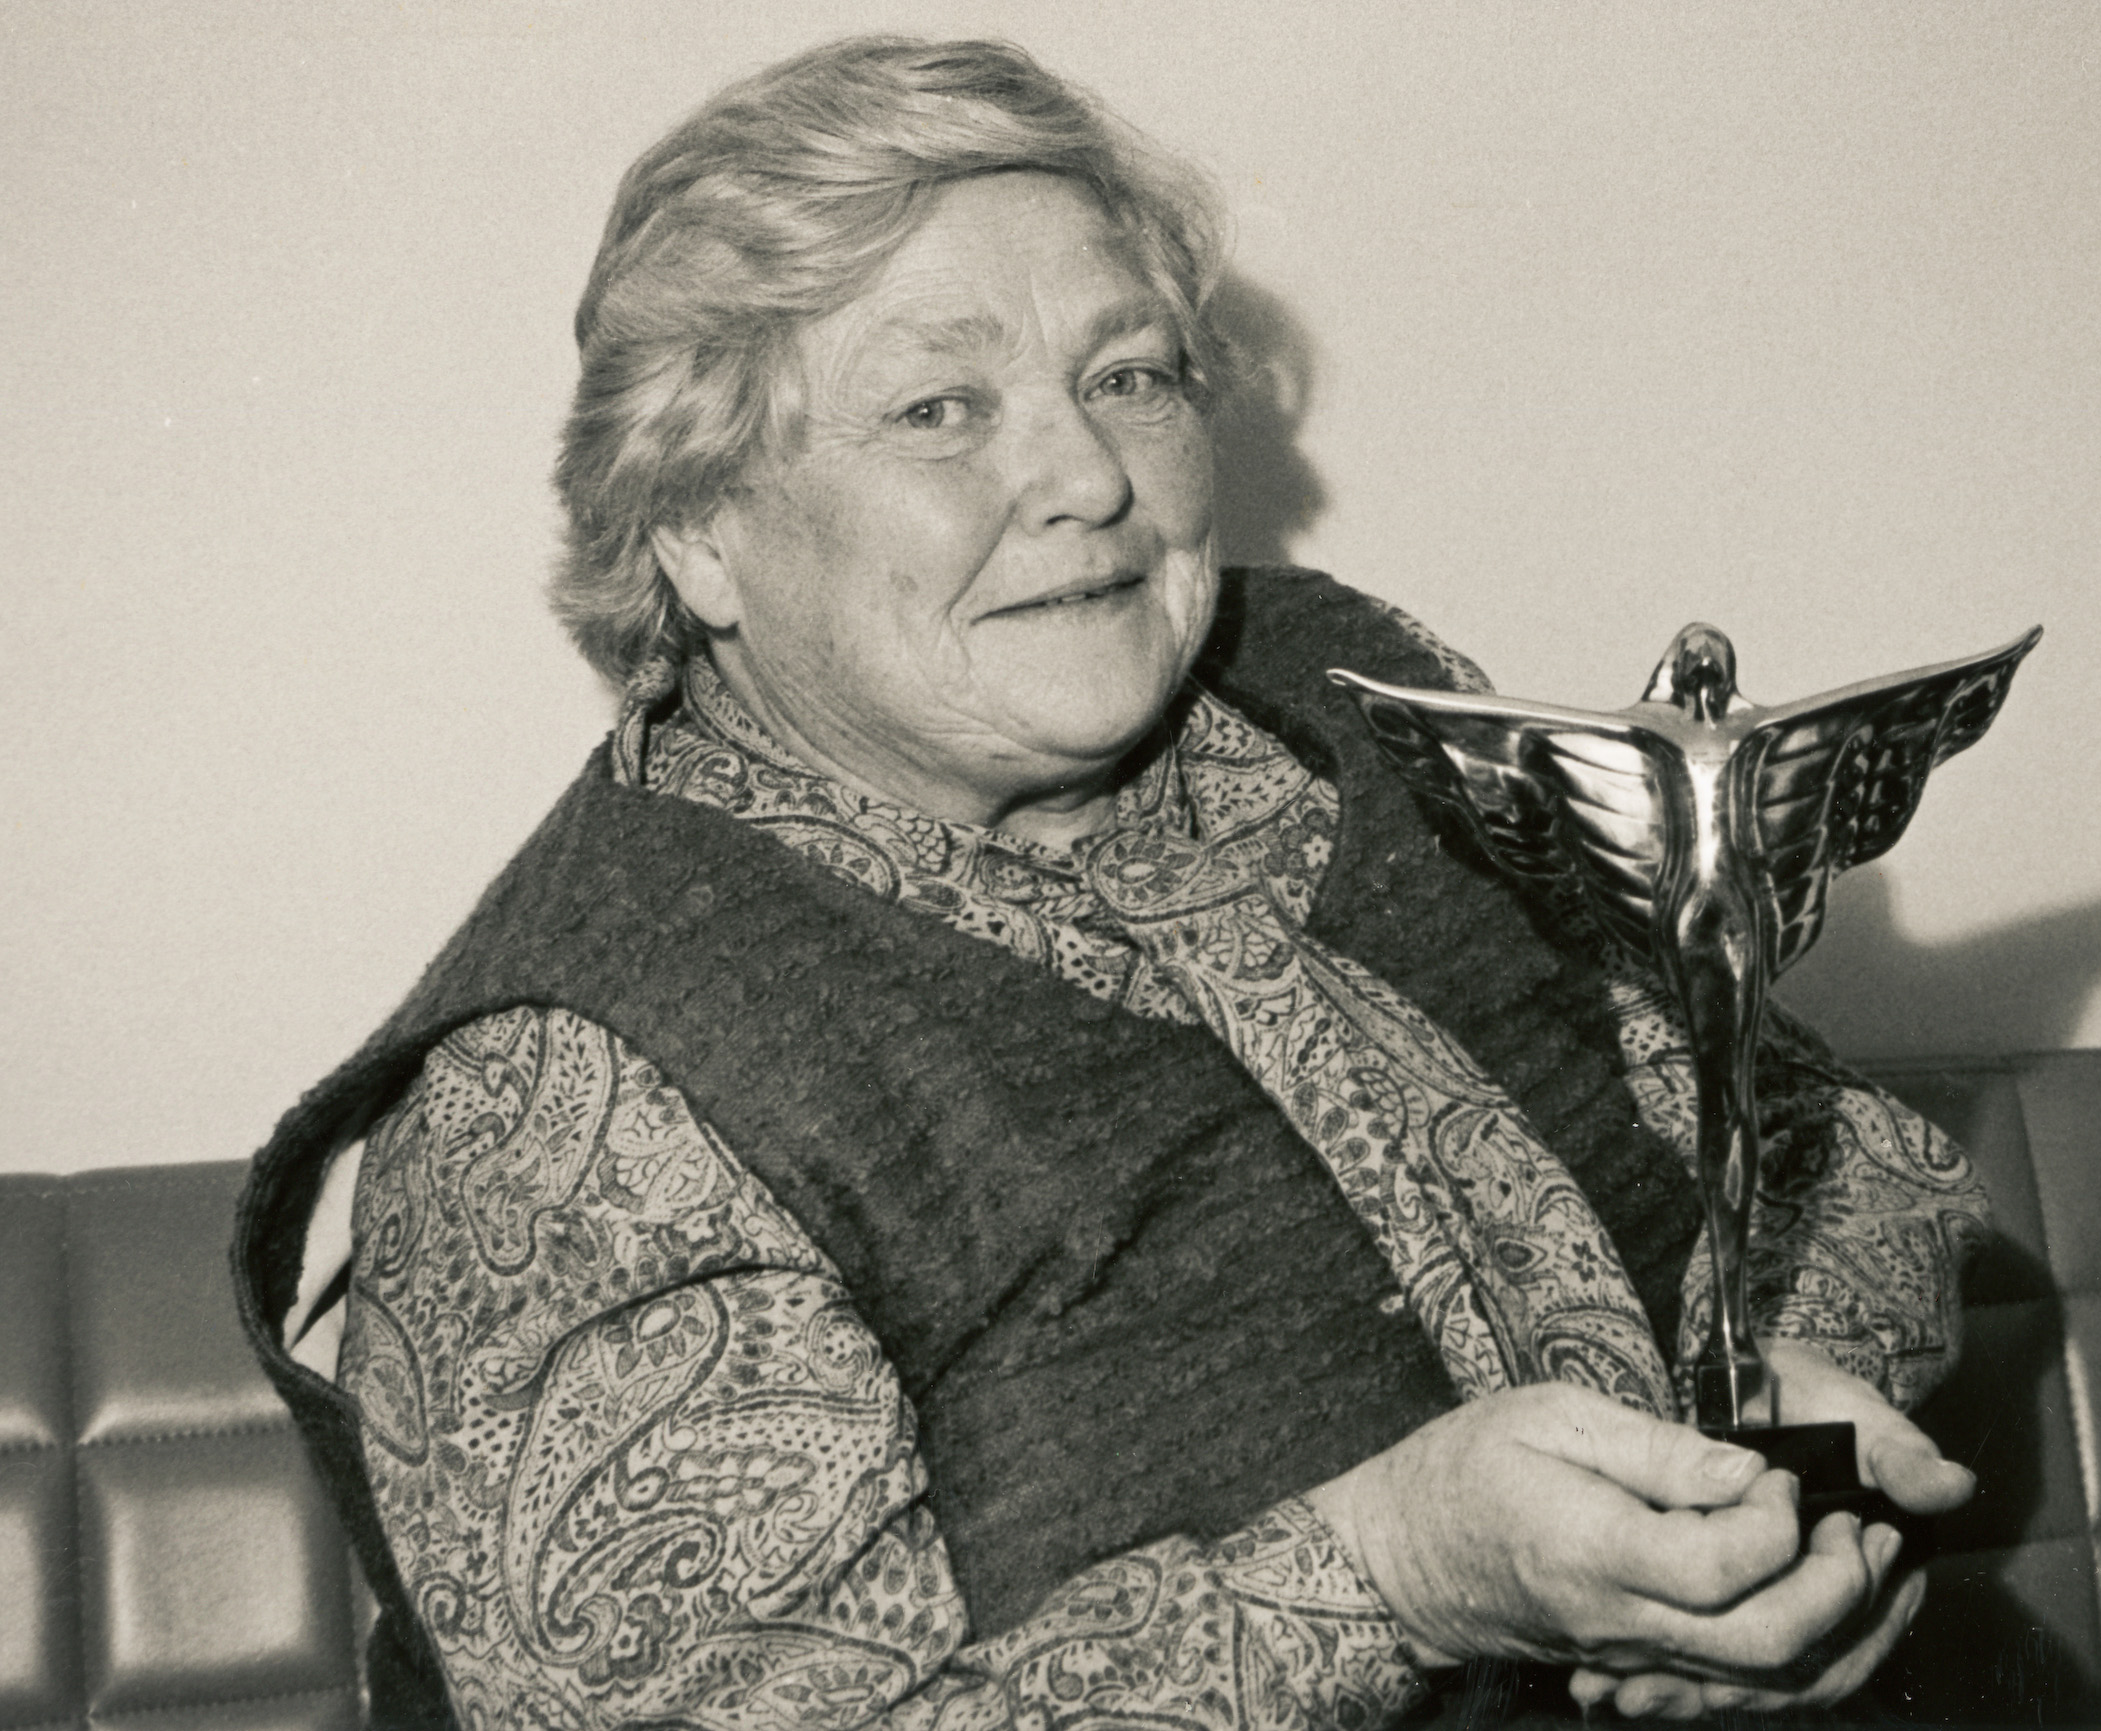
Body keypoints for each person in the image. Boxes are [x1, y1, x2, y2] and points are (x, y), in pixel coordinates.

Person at [233, 34, 1988, 1728]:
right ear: (696, 529)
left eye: (1128, 375)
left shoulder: (1345, 693)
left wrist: (1787, 1468)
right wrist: (1394, 1574)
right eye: (936, 407)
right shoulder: (565, 1106)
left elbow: (1837, 1152)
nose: (1086, 477)